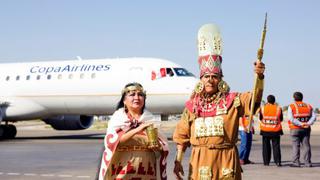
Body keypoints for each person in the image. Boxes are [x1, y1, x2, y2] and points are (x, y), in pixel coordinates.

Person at [173, 23, 265, 180]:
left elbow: (254, 99)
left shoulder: (233, 100)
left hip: (226, 160)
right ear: (201, 80)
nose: (210, 80)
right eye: (206, 77)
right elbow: (182, 136)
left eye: (214, 77)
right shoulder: (192, 106)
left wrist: (260, 77)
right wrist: (178, 161)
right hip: (200, 160)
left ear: (220, 80)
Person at [98, 82, 169, 180]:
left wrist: (157, 146)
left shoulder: (150, 119)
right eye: (132, 94)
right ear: (124, 100)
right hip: (122, 166)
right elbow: (113, 142)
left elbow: (162, 146)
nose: (137, 98)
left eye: (140, 95)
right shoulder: (118, 118)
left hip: (147, 168)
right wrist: (138, 130)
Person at [287, 91, 316, 168]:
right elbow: (314, 117)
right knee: (306, 145)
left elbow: (291, 118)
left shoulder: (292, 106)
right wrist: (308, 123)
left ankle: (296, 163)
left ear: (294, 98)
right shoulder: (308, 106)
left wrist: (300, 124)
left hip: (295, 128)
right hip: (306, 129)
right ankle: (307, 163)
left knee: (296, 146)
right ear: (302, 98)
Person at [259, 95, 283, 167]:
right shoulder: (278, 108)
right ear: (274, 101)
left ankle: (266, 162)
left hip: (265, 130)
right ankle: (277, 161)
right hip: (275, 130)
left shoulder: (263, 108)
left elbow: (260, 118)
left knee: (266, 147)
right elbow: (281, 119)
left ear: (267, 100)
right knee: (276, 146)